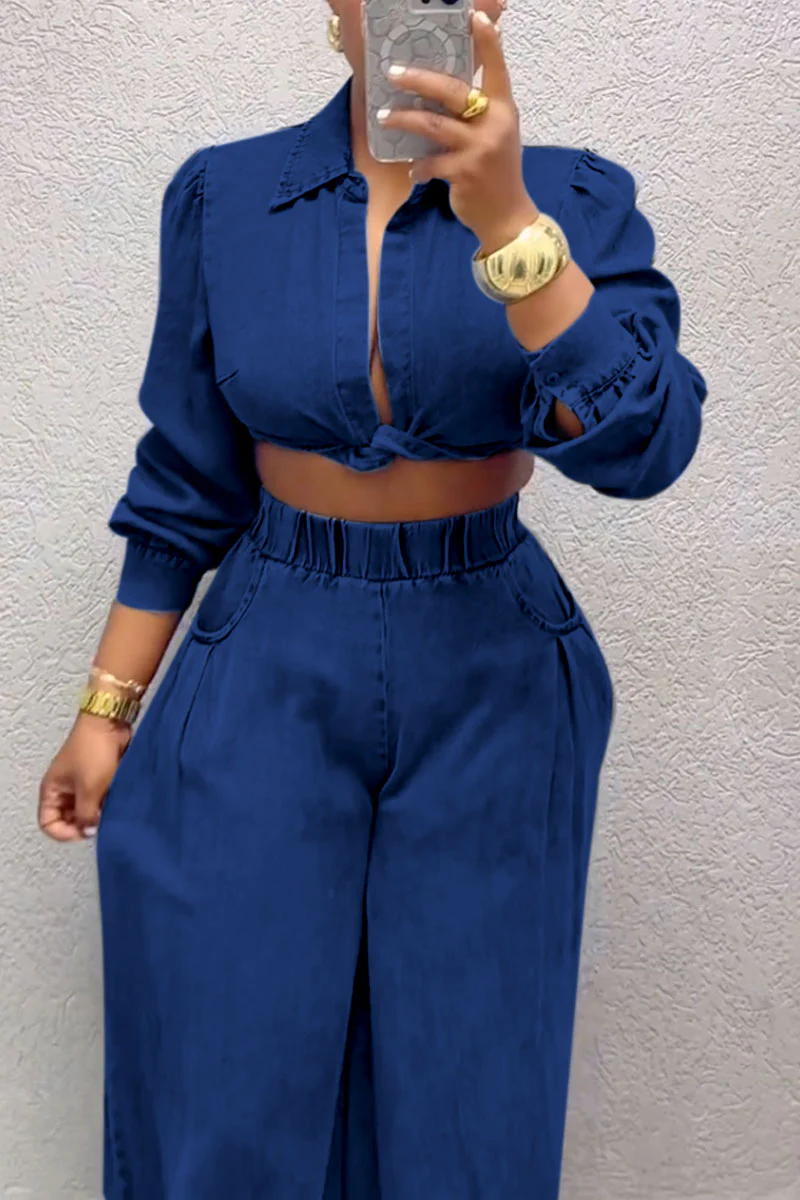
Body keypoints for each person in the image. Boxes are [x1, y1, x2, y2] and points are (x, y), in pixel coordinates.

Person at [38, 1, 707, 1195]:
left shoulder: (574, 199)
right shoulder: (224, 198)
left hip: (491, 659)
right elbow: (187, 476)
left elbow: (645, 447)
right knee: (225, 1068)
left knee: (470, 1087)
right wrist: (107, 708)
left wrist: (507, 221)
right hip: (267, 645)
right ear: (333, 7)